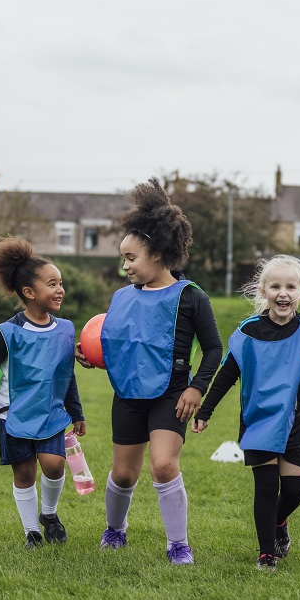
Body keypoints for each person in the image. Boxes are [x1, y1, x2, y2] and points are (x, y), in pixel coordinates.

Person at [76, 177, 222, 565]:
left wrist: (196, 388)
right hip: (127, 395)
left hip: (172, 394)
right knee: (123, 474)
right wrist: (92, 355)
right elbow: (117, 343)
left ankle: (178, 544)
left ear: (158, 253)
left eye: (131, 258)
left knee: (163, 465)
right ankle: (115, 530)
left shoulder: (191, 297)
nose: (124, 266)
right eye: (122, 258)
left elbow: (213, 349)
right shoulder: (121, 298)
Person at [192, 255, 300, 571]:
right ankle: (266, 552)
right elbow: (228, 373)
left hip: (294, 420)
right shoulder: (249, 330)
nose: (283, 293)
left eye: (290, 286)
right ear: (263, 291)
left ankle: (279, 521)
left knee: (295, 491)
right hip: (257, 420)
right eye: (275, 286)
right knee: (267, 487)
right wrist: (206, 410)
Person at [0, 236, 86, 550]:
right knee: (24, 473)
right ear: (29, 293)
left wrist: (77, 413)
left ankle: (49, 514)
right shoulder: (7, 332)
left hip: (51, 414)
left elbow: (66, 375)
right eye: (52, 284)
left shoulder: (65, 330)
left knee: (55, 465)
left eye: (61, 283)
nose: (60, 289)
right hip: (13, 415)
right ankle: (32, 531)